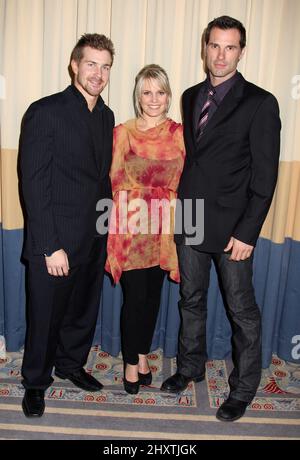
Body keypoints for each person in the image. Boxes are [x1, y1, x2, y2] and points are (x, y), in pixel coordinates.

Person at [161, 16, 281, 422]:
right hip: (192, 216)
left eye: (230, 47)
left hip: (234, 228)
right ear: (204, 48)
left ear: (241, 52)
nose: (221, 55)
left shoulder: (261, 102)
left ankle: (244, 388)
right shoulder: (192, 95)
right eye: (215, 45)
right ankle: (190, 368)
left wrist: (248, 231)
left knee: (241, 309)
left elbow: (265, 178)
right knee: (190, 300)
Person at [19, 33, 115, 417]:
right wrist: (48, 245)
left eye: (105, 66)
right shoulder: (45, 111)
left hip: (93, 236)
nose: (98, 73)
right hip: (55, 241)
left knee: (82, 311)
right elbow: (33, 181)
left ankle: (71, 364)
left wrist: (107, 229)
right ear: (74, 64)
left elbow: (101, 179)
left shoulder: (106, 116)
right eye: (91, 63)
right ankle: (36, 382)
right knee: (45, 316)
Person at [105, 64, 185, 394]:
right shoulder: (123, 131)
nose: (154, 99)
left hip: (165, 226)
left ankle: (139, 354)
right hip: (132, 225)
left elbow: (189, 180)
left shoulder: (180, 132)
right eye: (147, 92)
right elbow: (111, 179)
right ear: (138, 96)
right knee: (135, 298)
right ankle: (130, 363)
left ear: (168, 96)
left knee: (153, 297)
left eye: (160, 92)